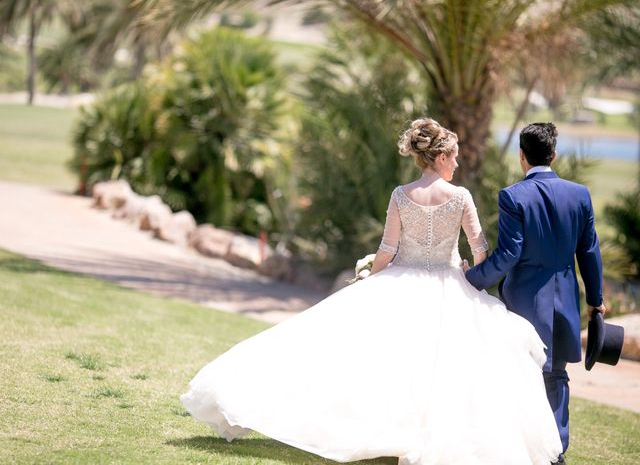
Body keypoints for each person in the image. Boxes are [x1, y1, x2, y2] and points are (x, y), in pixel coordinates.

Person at [181, 118, 563, 465]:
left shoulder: (401, 194)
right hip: (450, 285)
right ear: (442, 155)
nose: (458, 165)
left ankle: (390, 435)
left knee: (391, 363)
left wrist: (371, 278)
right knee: (441, 367)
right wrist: (472, 272)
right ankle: (418, 437)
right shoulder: (461, 197)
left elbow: (387, 249)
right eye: (455, 157)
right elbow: (479, 249)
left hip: (403, 282)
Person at [465, 122, 605, 463]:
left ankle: (519, 448)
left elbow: (509, 253)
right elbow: (589, 252)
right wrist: (595, 302)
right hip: (566, 298)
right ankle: (556, 449)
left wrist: (471, 280)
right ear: (554, 155)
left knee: (519, 370)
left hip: (524, 300)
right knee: (556, 372)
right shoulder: (579, 194)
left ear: (521, 156)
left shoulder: (513, 196)